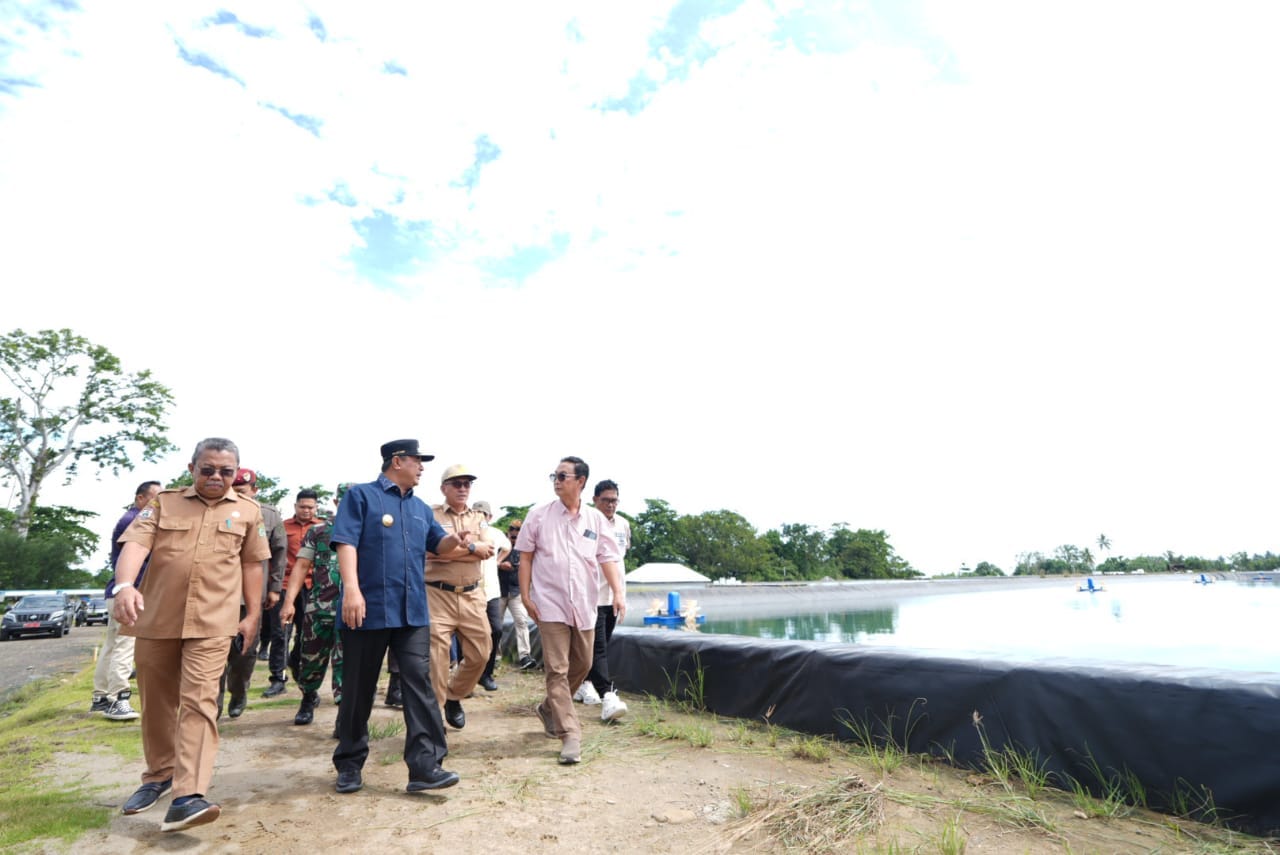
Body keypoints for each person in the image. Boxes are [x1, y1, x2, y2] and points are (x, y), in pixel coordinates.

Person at [112, 437, 269, 832]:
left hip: (214, 622)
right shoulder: (164, 503)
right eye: (208, 469)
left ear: (236, 472)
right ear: (192, 468)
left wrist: (251, 616)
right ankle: (160, 775)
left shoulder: (248, 511)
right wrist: (125, 585)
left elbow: (253, 565)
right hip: (157, 618)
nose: (217, 476)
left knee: (199, 701)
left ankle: (187, 795)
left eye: (226, 471)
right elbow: (134, 545)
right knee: (156, 702)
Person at [330, 439, 471, 795]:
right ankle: (349, 763)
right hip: (367, 609)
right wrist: (352, 589)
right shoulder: (360, 497)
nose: (422, 467)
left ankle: (425, 767)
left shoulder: (422, 508)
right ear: (397, 461)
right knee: (358, 690)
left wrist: (457, 541)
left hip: (412, 613)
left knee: (420, 687)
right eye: (417, 461)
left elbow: (438, 545)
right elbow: (345, 541)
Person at [515, 456, 625, 765]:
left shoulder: (595, 520)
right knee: (558, 670)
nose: (557, 480)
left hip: (586, 605)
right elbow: (525, 557)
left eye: (563, 475)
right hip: (549, 604)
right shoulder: (538, 516)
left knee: (584, 662)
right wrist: (525, 596)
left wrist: (618, 593)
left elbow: (607, 558)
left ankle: (549, 709)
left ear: (581, 482)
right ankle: (570, 734)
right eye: (555, 475)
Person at [425, 465, 495, 729]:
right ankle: (434, 720)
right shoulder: (430, 515)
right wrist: (471, 550)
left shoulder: (479, 517)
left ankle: (454, 695)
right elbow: (428, 553)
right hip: (436, 595)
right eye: (456, 484)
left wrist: (470, 547)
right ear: (444, 488)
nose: (463, 488)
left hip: (472, 596)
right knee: (437, 661)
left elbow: (488, 550)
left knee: (481, 653)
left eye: (467, 484)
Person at [281, 482, 352, 726]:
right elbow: (301, 566)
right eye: (345, 501)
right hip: (319, 608)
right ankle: (308, 697)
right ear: (336, 503)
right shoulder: (319, 532)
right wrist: (289, 602)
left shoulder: (369, 531)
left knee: (348, 664)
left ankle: (345, 715)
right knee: (310, 659)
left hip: (353, 611)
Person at [219, 469, 287, 719]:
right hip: (217, 595)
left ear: (255, 491)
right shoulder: (215, 510)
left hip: (250, 596)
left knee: (243, 652)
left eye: (242, 491)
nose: (237, 495)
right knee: (214, 652)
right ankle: (211, 704)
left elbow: (280, 554)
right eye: (233, 490)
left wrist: (274, 588)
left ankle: (238, 692)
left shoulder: (268, 515)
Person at [91, 480, 161, 722]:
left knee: (112, 645)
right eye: (154, 497)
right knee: (124, 645)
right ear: (140, 498)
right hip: (128, 594)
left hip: (116, 593)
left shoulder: (131, 518)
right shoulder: (135, 521)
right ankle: (118, 698)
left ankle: (100, 695)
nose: (158, 503)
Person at [576, 479, 631, 722]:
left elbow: (620, 555)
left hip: (615, 594)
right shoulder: (585, 522)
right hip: (592, 594)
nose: (611, 505)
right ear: (595, 499)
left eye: (614, 500)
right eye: (606, 500)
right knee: (596, 647)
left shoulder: (623, 524)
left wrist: (620, 593)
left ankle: (583, 682)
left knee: (603, 644)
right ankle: (608, 695)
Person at [262, 490, 321, 697]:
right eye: (302, 506)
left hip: (312, 586)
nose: (306, 510)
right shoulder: (283, 526)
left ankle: (296, 664)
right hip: (285, 584)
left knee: (308, 633)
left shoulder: (322, 527)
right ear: (295, 506)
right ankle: (277, 678)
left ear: (316, 508)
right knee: (280, 633)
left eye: (310, 507)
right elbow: (272, 555)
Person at [471, 500, 511, 692]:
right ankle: (467, 676)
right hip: (470, 591)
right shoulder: (467, 533)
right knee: (467, 634)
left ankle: (486, 674)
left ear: (489, 517)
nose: (480, 517)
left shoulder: (495, 534)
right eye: (476, 512)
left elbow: (508, 546)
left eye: (483, 514)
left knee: (495, 630)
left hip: (492, 591)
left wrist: (497, 560)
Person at [497, 518, 536, 671]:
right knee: (496, 626)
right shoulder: (500, 548)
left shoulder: (525, 550)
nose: (514, 538)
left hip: (516, 591)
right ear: (508, 534)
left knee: (522, 622)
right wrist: (500, 565)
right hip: (499, 590)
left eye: (517, 535)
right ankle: (495, 656)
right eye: (512, 535)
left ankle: (524, 655)